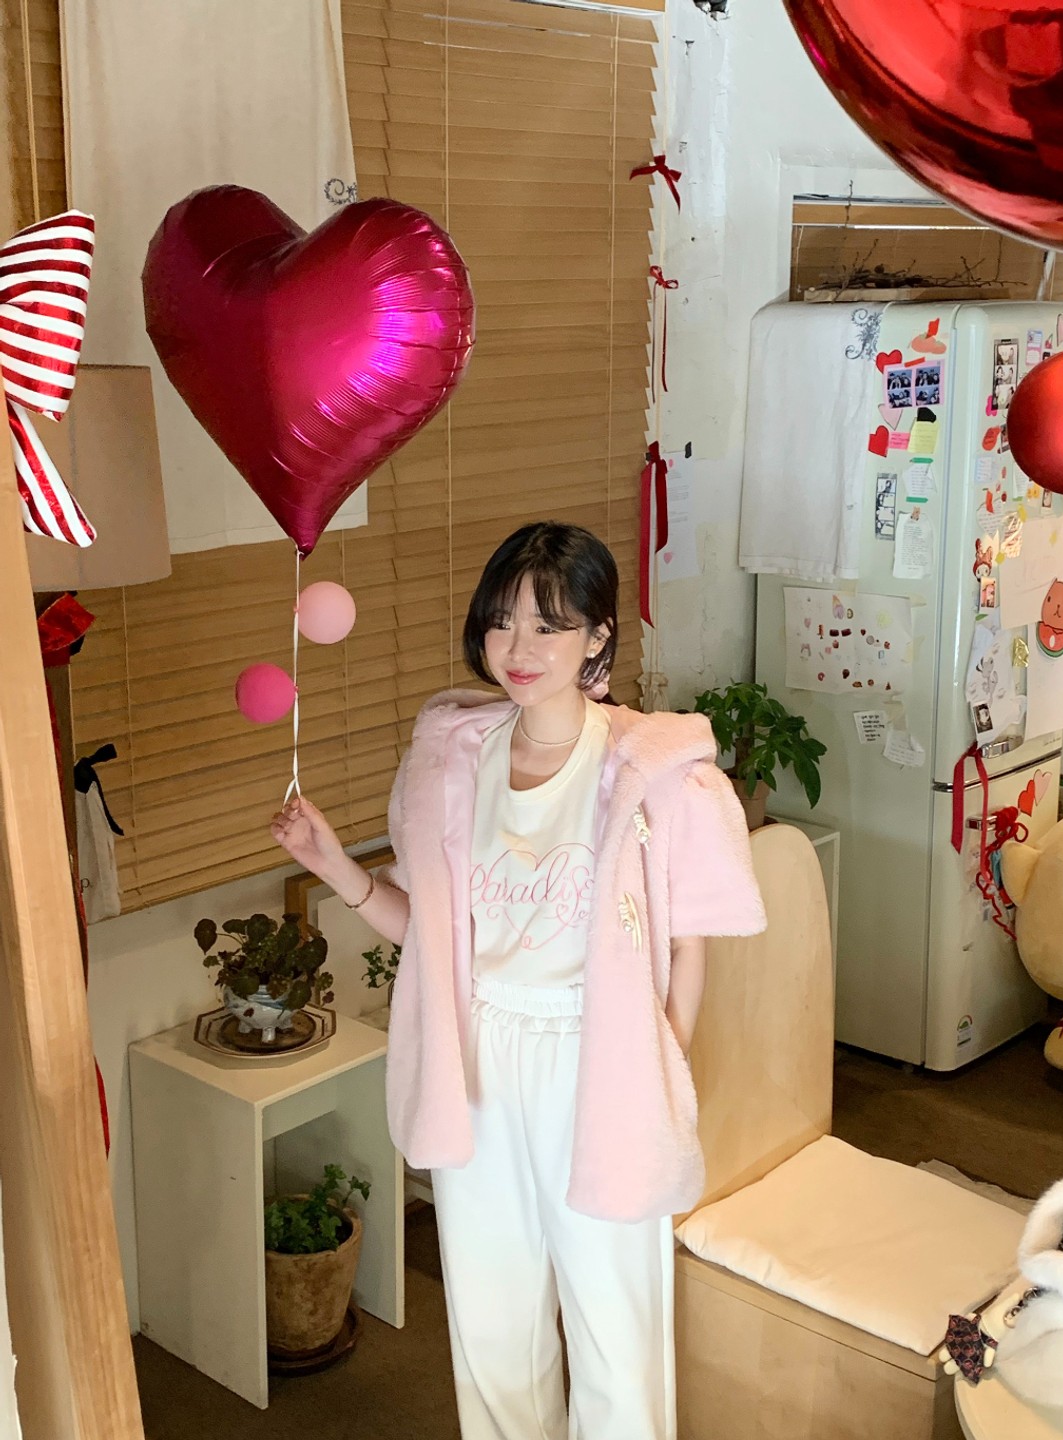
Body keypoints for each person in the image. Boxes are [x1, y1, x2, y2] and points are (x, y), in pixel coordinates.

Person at [271, 521, 765, 1440]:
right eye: (501, 623)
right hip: (481, 1054)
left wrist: (659, 1065)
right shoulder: (451, 761)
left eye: (548, 624)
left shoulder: (656, 770)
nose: (519, 648)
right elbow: (430, 937)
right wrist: (333, 863)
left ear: (598, 635)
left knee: (615, 1326)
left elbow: (688, 948)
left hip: (600, 1057)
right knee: (493, 1322)